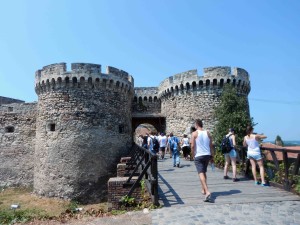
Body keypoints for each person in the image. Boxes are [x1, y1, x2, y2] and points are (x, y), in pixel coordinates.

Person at [191, 119, 214, 202]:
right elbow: (211, 145)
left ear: (197, 125)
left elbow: (193, 146)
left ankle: (207, 191)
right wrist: (212, 156)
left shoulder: (194, 133)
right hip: (207, 155)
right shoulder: (208, 133)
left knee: (200, 173)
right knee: (204, 172)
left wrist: (193, 155)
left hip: (199, 155)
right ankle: (203, 189)